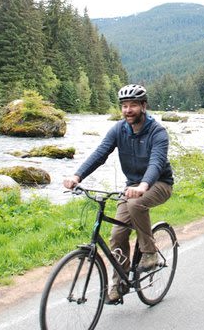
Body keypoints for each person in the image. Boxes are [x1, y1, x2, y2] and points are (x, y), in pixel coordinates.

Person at [63, 84, 174, 304]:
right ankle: (119, 283)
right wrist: (77, 176)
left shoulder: (157, 132)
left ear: (143, 106)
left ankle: (149, 252)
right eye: (124, 106)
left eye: (133, 105)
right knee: (117, 235)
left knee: (135, 204)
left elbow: (156, 162)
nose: (128, 109)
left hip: (159, 183)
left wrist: (143, 186)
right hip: (132, 186)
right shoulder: (119, 129)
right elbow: (100, 153)